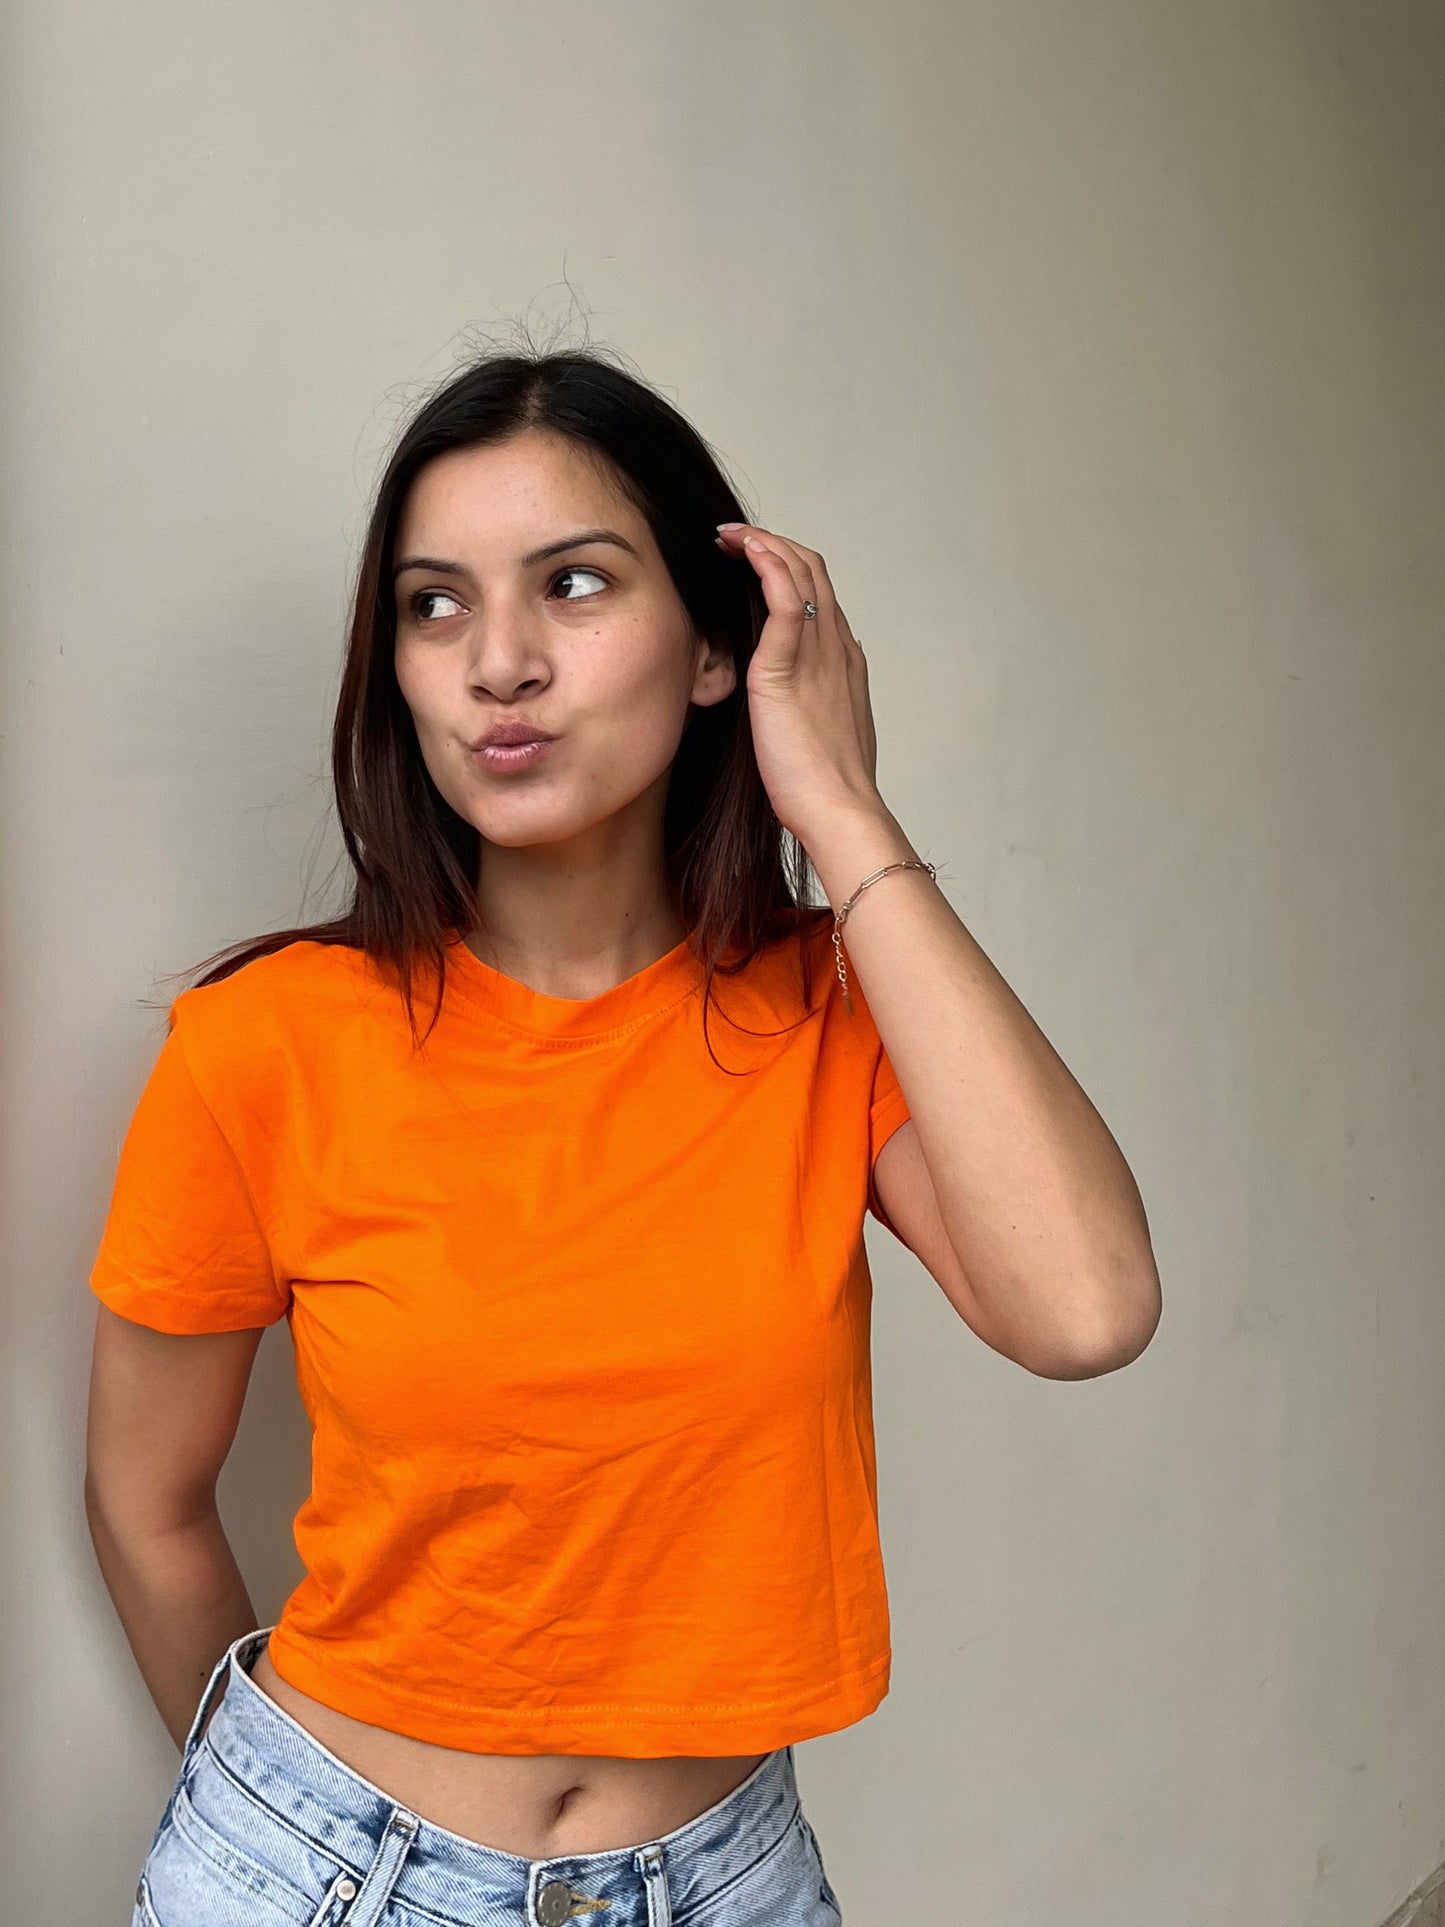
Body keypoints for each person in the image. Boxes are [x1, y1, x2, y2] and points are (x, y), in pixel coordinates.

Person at [84, 344, 1161, 1927]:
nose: (495, 662)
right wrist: (268, 1827)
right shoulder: (269, 1039)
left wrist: (844, 817)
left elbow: (1084, 1311)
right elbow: (146, 1500)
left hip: (724, 1881)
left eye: (573, 586)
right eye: (432, 603)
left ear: (716, 650)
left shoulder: (829, 1016)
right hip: (316, 1869)